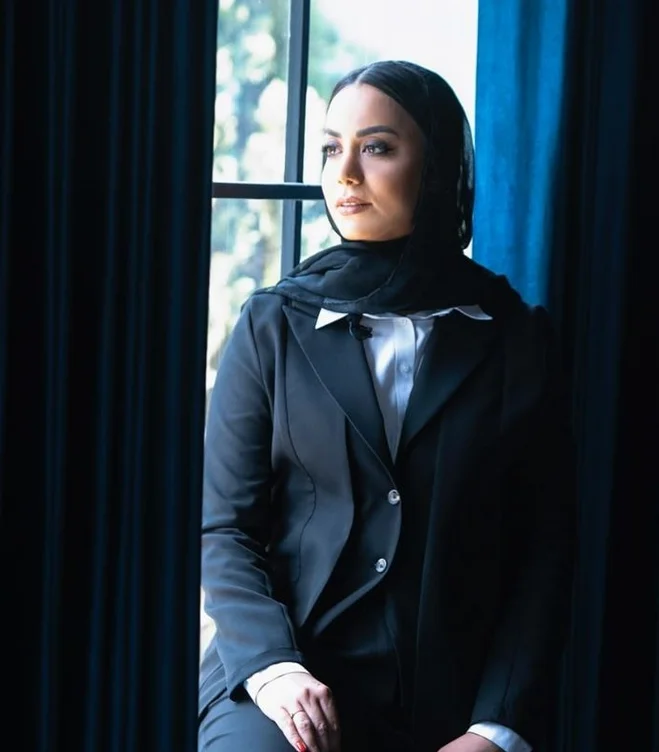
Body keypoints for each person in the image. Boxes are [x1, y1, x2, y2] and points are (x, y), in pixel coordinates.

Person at [198, 60, 576, 752]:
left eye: (375, 147)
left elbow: (544, 552)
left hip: (450, 695)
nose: (344, 174)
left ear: (436, 166)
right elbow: (224, 528)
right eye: (330, 149)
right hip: (284, 678)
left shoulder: (516, 339)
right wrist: (276, 670)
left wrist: (495, 728)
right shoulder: (272, 324)